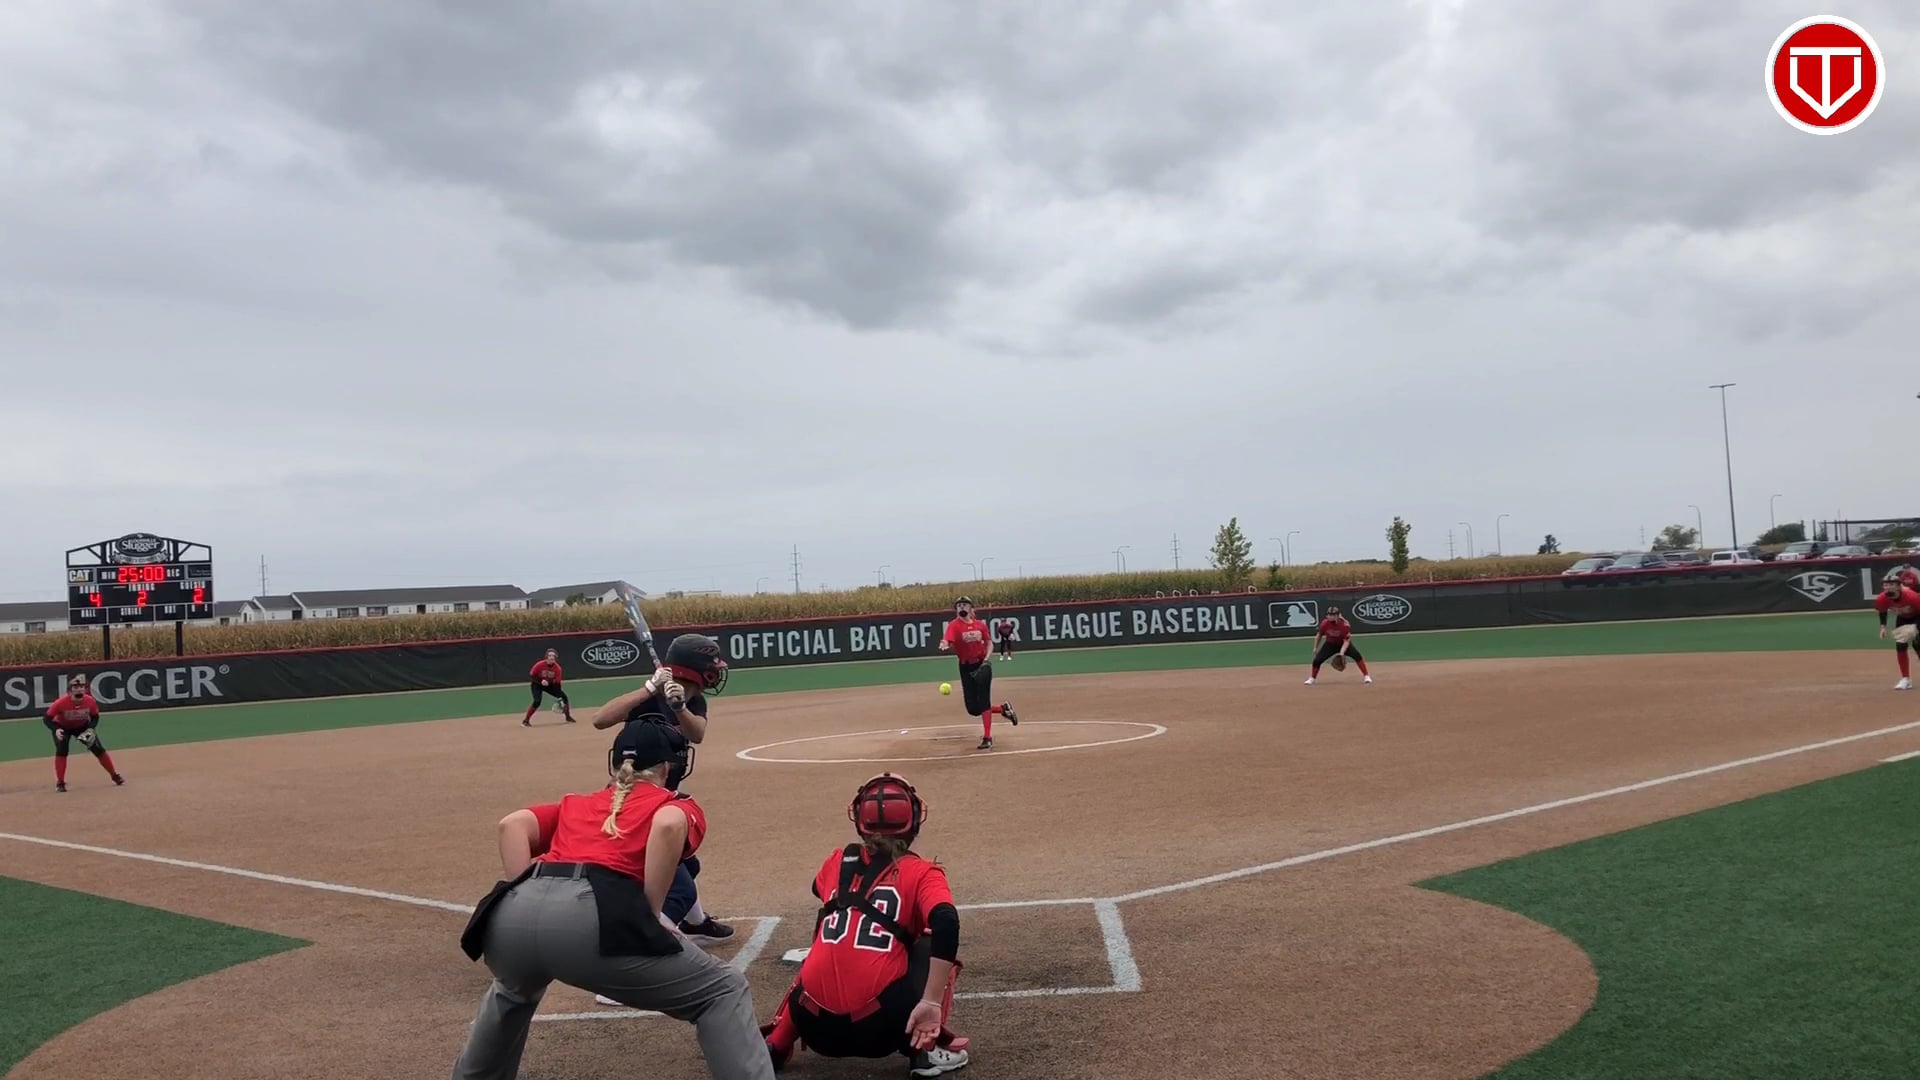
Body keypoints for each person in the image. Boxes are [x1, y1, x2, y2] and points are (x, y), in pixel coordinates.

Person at [449, 721, 775, 1080]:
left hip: (510, 917)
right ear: (667, 768)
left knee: (514, 990)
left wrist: (524, 891)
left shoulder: (578, 802)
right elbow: (668, 825)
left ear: (615, 764)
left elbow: (512, 824)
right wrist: (651, 914)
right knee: (722, 990)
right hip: (590, 917)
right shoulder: (673, 802)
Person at [759, 773, 970, 1077]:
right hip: (883, 1027)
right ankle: (924, 1050)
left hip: (813, 1025)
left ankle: (776, 1043)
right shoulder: (923, 872)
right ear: (914, 818)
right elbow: (946, 920)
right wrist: (931, 1000)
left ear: (859, 819)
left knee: (826, 938)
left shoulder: (836, 860)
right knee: (929, 941)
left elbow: (819, 888)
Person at [591, 633, 735, 944]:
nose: (717, 672)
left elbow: (697, 734)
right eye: (713, 666)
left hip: (660, 799)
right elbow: (600, 720)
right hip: (634, 802)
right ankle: (638, 945)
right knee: (680, 889)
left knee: (687, 862)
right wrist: (649, 688)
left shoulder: (694, 701)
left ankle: (695, 923)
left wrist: (680, 707)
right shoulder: (648, 697)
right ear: (699, 669)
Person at [938, 597, 1016, 750]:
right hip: (965, 667)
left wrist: (986, 660)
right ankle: (1003, 709)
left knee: (984, 700)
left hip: (981, 665)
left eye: (964, 605)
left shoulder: (980, 625)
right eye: (959, 605)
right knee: (973, 709)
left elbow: (989, 643)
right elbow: (947, 639)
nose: (961, 607)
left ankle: (987, 737)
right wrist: (944, 644)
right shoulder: (954, 625)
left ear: (971, 608)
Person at [44, 673, 123, 792]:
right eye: (75, 687)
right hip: (63, 727)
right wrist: (56, 729)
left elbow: (95, 716)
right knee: (62, 750)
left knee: (98, 749)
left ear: (85, 689)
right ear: (70, 691)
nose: (79, 689)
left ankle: (114, 775)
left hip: (82, 727)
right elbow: (47, 718)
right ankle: (60, 783)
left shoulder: (90, 701)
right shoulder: (60, 703)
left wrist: (90, 729)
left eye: (81, 687)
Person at [1305, 604, 1373, 685]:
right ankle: (1312, 678)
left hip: (1342, 643)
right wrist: (1315, 647)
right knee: (1317, 660)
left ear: (1338, 615)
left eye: (1333, 615)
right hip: (1330, 644)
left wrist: (1341, 653)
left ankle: (1366, 676)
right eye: (1329, 614)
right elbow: (1319, 635)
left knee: (1357, 656)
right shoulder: (1324, 623)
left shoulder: (1344, 625)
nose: (1330, 616)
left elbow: (1346, 641)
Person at [1875, 568, 1920, 690]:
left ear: (1899, 586)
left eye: (1891, 585)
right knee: (1900, 645)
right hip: (1902, 619)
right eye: (1885, 585)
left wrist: (1915, 627)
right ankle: (1906, 679)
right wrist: (1883, 627)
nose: (1887, 587)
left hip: (1917, 617)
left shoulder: (1911, 596)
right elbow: (1882, 612)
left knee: (1917, 644)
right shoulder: (1882, 598)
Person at [522, 648, 574, 726]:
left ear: (555, 658)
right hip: (537, 684)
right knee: (537, 701)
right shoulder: (539, 665)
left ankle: (568, 717)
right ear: (546, 657)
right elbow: (532, 675)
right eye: (549, 655)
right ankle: (526, 720)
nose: (551, 657)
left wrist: (559, 695)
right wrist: (541, 681)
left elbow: (557, 683)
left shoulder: (558, 669)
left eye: (553, 656)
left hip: (550, 685)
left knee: (564, 698)